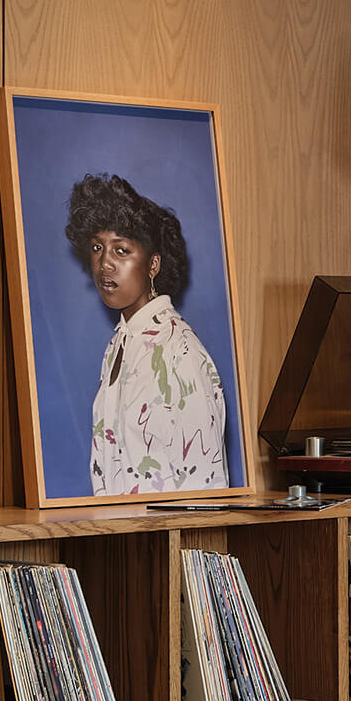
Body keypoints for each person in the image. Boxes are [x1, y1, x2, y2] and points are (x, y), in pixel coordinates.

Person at [65, 173, 227, 495]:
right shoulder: (119, 344)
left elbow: (208, 488)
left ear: (153, 265)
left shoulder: (180, 351)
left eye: (121, 250)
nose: (104, 263)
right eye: (98, 248)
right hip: (120, 539)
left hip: (164, 540)